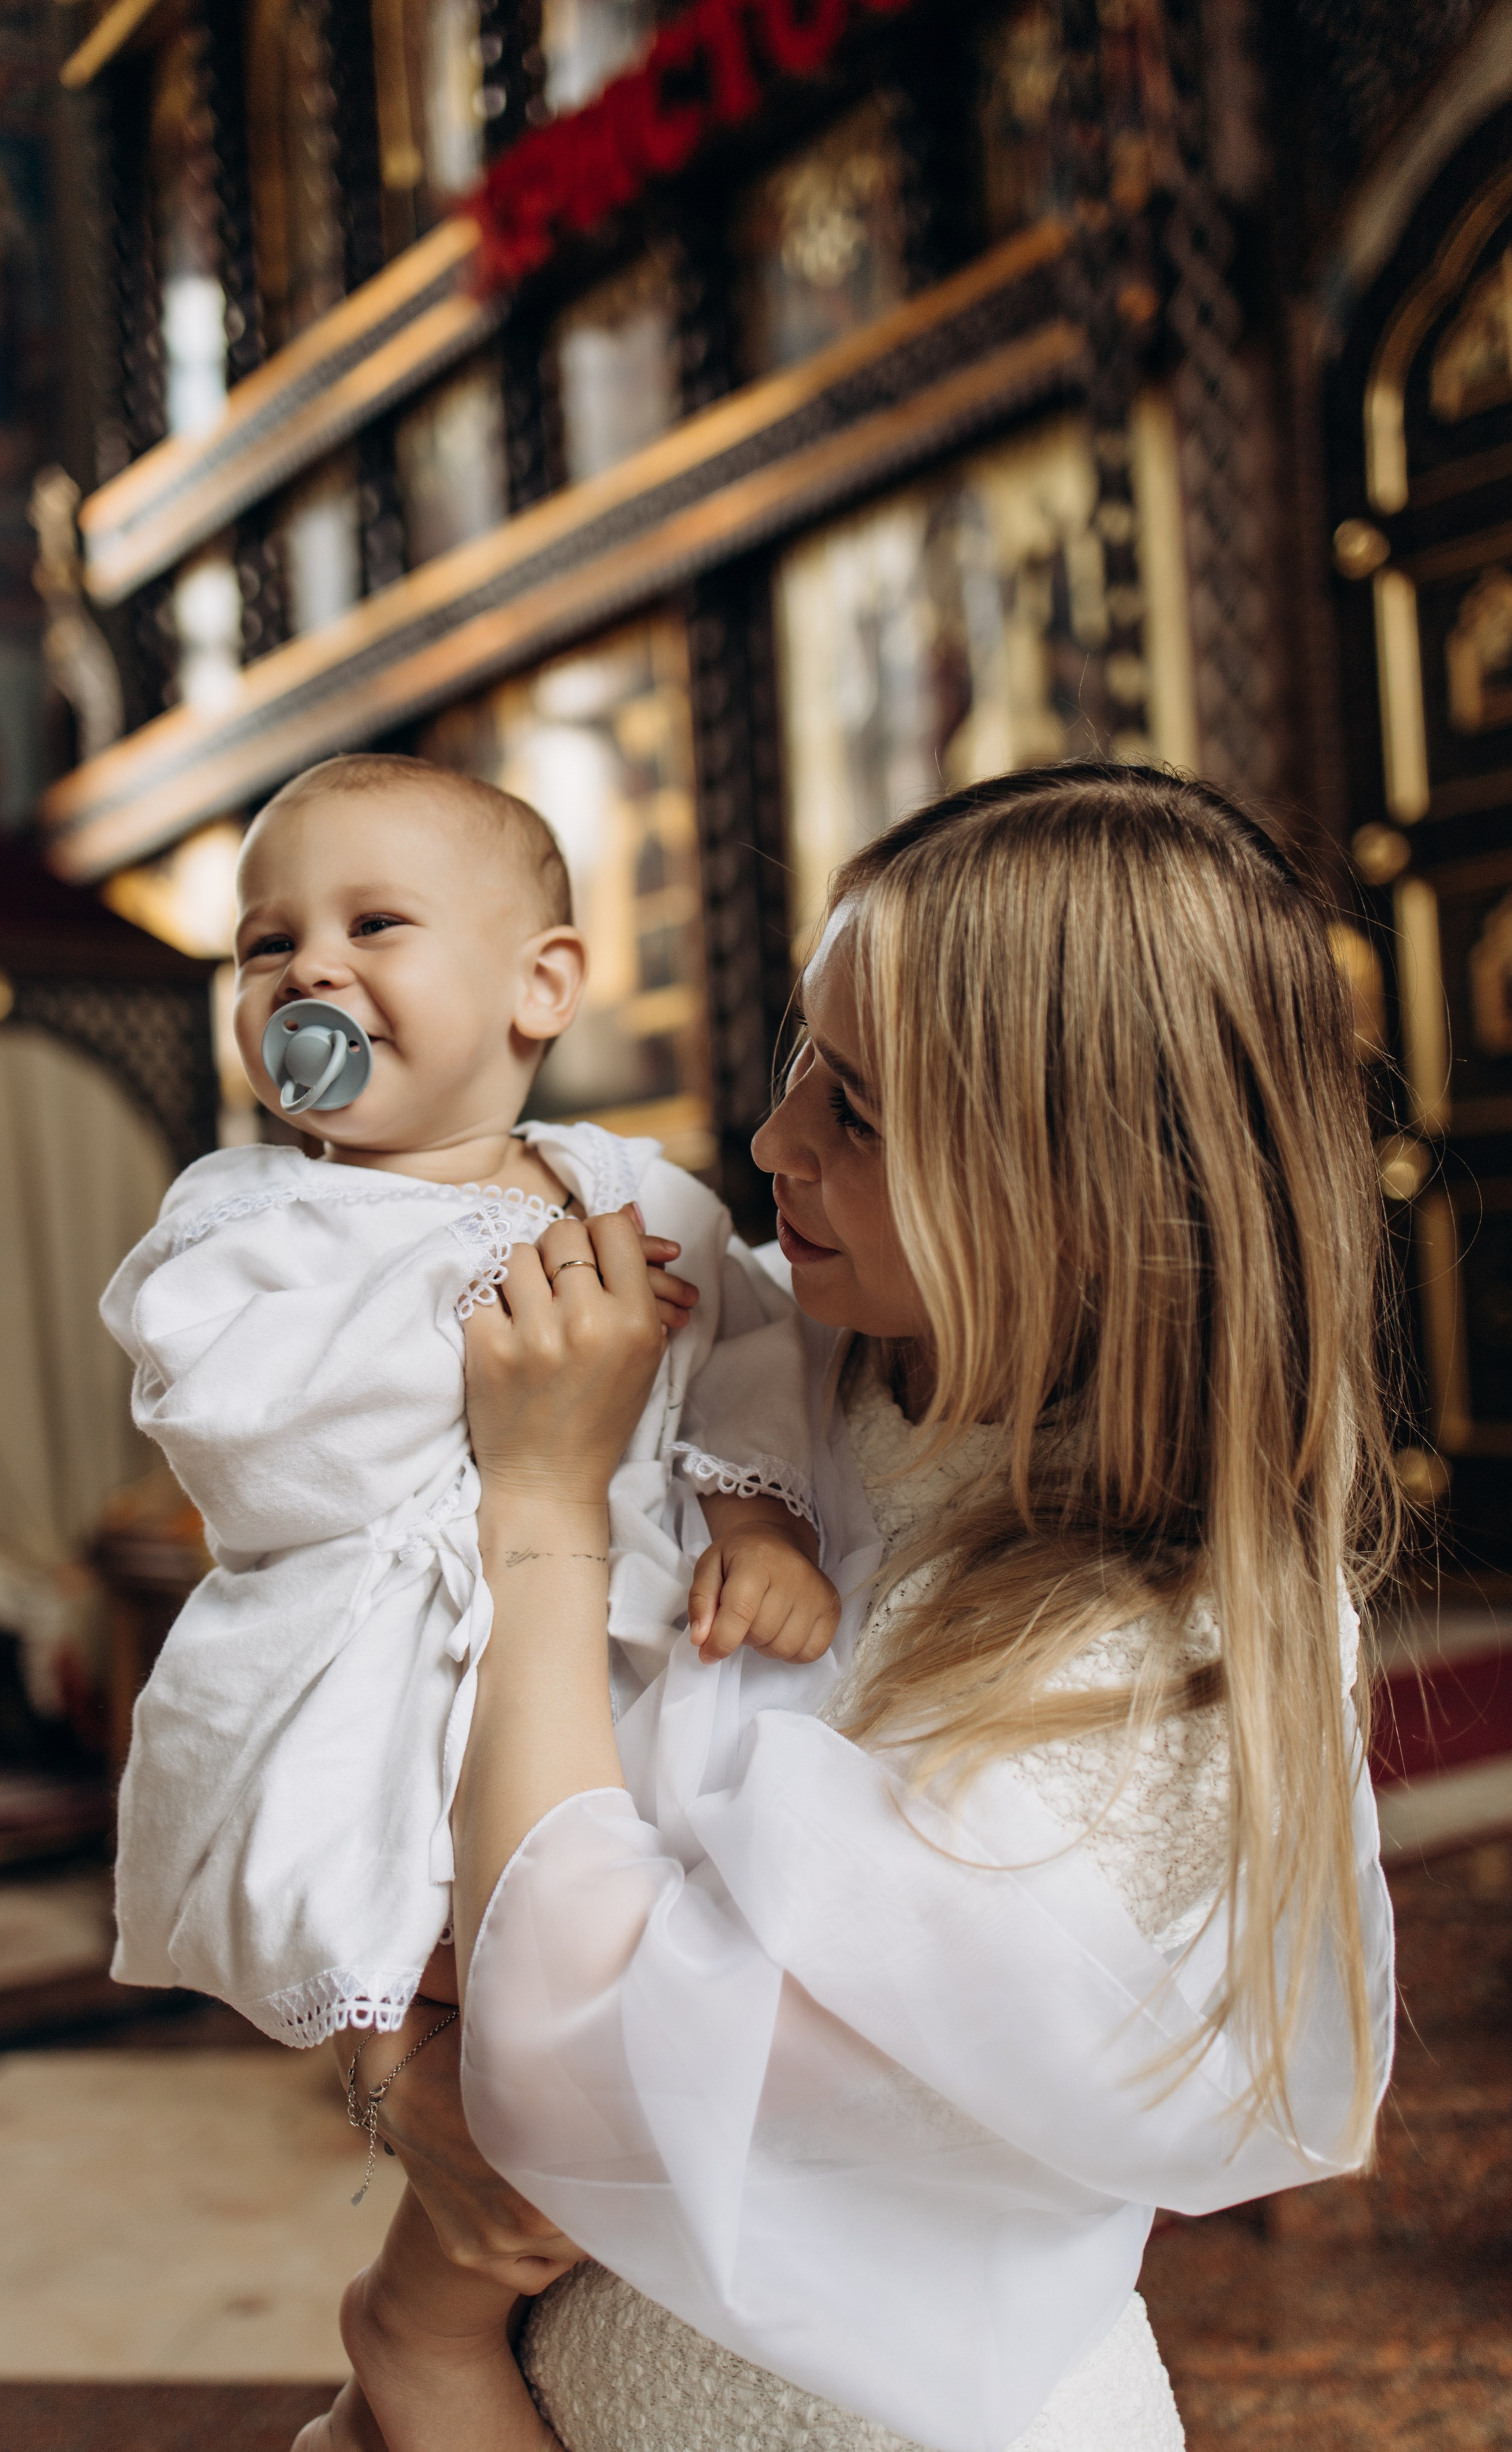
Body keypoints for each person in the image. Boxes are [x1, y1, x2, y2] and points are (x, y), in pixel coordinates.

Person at [338, 764, 1399, 2452]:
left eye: (862, 1113)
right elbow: (388, 1791)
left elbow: (572, 2063)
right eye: (799, 1063)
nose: (772, 1146)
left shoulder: (1161, 1651)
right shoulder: (777, 1369)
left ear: (1090, 1192)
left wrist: (540, 1504)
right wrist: (399, 2089)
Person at [96, 752, 840, 2446]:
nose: (309, 973)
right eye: (264, 944)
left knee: (602, 1997)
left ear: (540, 986)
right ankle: (420, 2291)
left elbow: (746, 1361)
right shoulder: (246, 1219)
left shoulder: (639, 1198)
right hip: (359, 1668)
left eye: (374, 925)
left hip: (600, 1657)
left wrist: (753, 1517)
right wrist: (481, 1323)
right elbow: (237, 1424)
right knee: (440, 2006)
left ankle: (449, 2320)